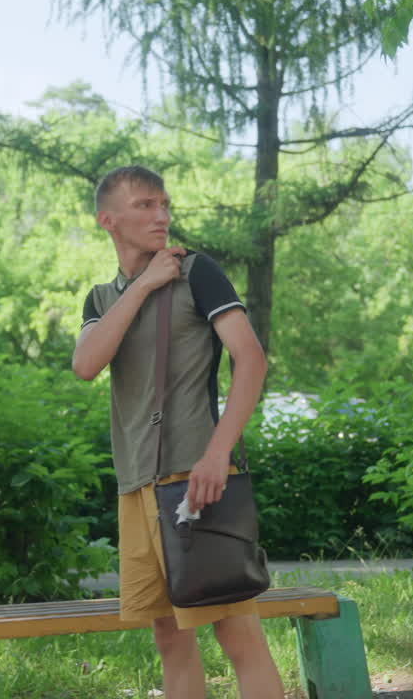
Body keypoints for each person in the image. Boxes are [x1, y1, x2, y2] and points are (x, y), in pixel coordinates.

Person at [73, 165, 282, 699]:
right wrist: (143, 285)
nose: (161, 215)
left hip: (197, 474)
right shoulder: (101, 299)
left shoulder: (199, 273)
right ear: (109, 220)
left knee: (238, 635)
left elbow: (251, 361)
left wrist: (218, 455)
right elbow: (87, 364)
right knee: (169, 637)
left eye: (164, 204)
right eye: (145, 205)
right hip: (136, 485)